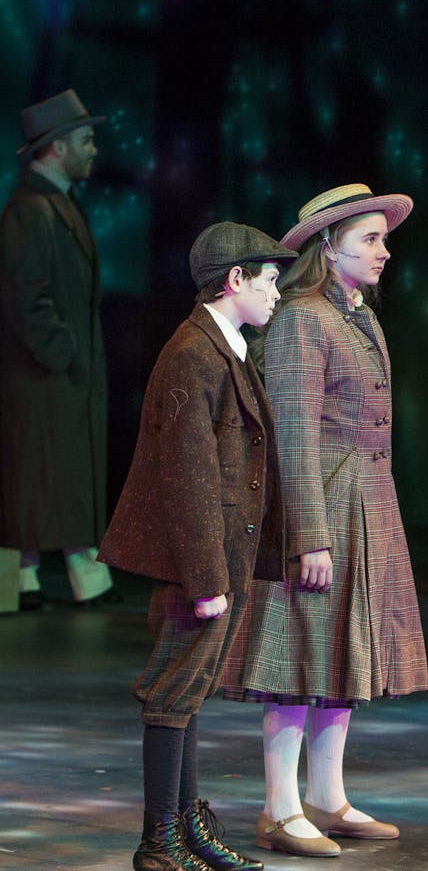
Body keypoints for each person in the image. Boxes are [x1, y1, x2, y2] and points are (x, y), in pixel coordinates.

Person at [221, 184, 428, 858]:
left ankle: (328, 798)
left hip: (367, 501)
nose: (384, 251)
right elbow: (292, 434)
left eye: (383, 238)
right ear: (326, 245)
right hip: (323, 502)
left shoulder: (358, 314)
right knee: (299, 653)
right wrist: (308, 533)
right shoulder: (303, 318)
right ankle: (280, 808)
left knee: (344, 653)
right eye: (370, 239)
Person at [99, 222, 296, 871]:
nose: (277, 293)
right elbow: (187, 478)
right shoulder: (194, 353)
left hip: (219, 558)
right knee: (172, 691)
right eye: (269, 280)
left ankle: (185, 829)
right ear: (234, 280)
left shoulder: (224, 348)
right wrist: (208, 579)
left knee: (186, 691)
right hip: (201, 563)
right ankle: (160, 843)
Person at [0, 88, 117, 611]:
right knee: (35, 479)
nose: (94, 150)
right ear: (56, 148)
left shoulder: (54, 205)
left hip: (59, 374)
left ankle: (43, 581)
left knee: (48, 479)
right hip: (42, 375)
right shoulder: (31, 211)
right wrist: (62, 352)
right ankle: (34, 581)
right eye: (85, 140)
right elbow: (26, 297)